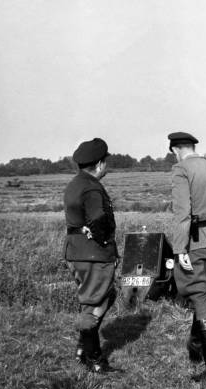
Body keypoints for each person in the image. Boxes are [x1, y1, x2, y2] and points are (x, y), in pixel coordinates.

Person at [169, 131, 206, 384]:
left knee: (200, 299)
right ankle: (195, 345)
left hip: (196, 242)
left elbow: (182, 213)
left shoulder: (181, 170)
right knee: (204, 293)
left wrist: (179, 248)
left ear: (175, 150)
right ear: (194, 146)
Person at [63, 138, 118, 373]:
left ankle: (82, 349)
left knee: (104, 296)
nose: (106, 167)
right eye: (105, 162)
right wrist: (104, 240)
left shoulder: (74, 184)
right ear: (99, 164)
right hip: (94, 255)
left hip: (75, 251)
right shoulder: (93, 187)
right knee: (94, 303)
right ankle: (95, 360)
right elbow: (97, 218)